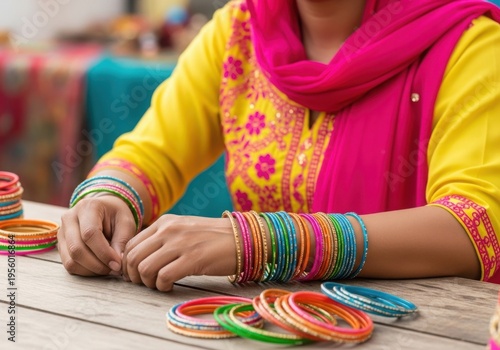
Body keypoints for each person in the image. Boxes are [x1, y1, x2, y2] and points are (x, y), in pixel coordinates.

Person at [58, 0, 500, 292]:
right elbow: (153, 152)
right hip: (264, 326)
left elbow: (474, 227)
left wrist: (264, 241)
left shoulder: (467, 44)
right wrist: (107, 195)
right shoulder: (238, 31)